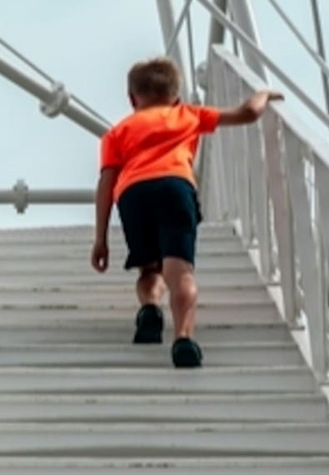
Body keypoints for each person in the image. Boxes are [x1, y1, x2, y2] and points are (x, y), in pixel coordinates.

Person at [91, 56, 283, 368]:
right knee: (180, 272)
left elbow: (106, 182)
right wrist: (264, 95)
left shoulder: (118, 132)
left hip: (133, 193)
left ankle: (151, 307)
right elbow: (247, 114)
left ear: (131, 98)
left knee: (148, 269)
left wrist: (100, 238)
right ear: (176, 96)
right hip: (176, 187)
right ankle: (183, 338)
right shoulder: (188, 114)